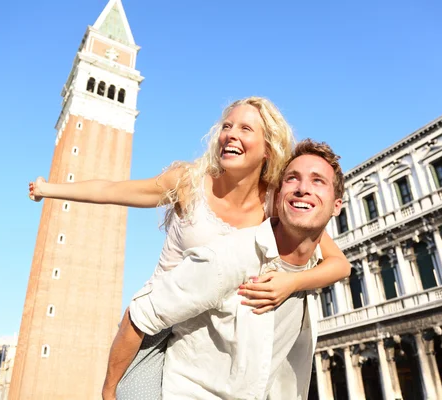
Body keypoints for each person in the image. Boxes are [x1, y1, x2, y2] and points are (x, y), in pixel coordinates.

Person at [28, 97, 350, 399]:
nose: (230, 135)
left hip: (215, 328)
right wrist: (50, 189)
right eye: (226, 126)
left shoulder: (275, 201)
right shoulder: (188, 182)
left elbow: (338, 264)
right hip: (159, 323)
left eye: (245, 129)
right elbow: (113, 190)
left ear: (267, 149)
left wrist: (291, 283)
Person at [117, 139, 345, 399]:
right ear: (278, 195)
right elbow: (139, 314)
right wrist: (109, 392)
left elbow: (342, 266)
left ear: (337, 206)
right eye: (293, 178)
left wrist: (294, 282)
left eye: (318, 181)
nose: (304, 189)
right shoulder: (229, 256)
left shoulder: (313, 263)